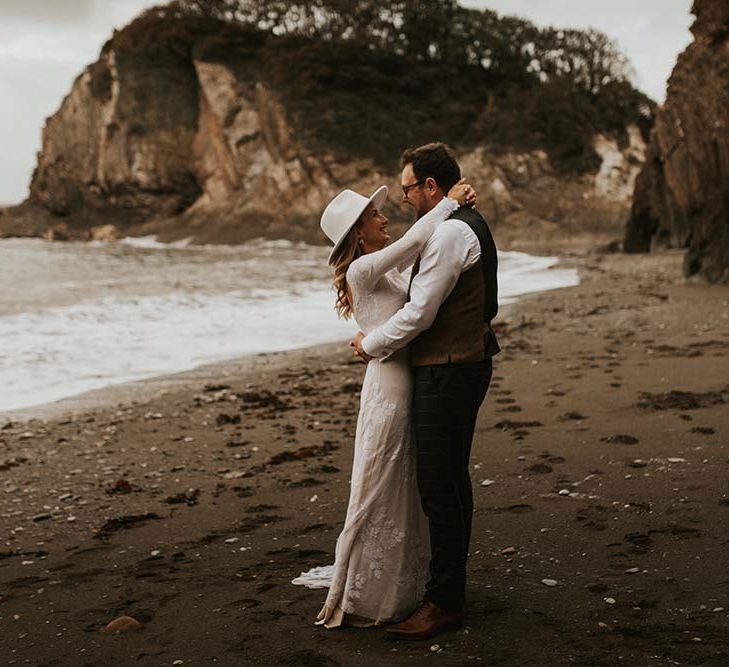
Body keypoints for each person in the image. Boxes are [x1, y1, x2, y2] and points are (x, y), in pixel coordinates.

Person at [291, 175, 477, 628]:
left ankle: (406, 578)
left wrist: (368, 338)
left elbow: (413, 277)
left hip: (403, 372)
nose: (384, 217)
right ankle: (372, 587)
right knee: (380, 479)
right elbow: (417, 239)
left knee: (403, 479)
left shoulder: (377, 268)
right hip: (389, 382)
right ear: (358, 231)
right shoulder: (361, 270)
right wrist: (449, 203)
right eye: (374, 215)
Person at [351, 142, 500, 640]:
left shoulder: (452, 233)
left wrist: (370, 344)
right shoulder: (456, 224)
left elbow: (420, 313)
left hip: (449, 368)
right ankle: (446, 589)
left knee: (441, 485)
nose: (404, 199)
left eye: (409, 188)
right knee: (450, 480)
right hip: (456, 363)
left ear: (430, 186)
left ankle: (444, 601)